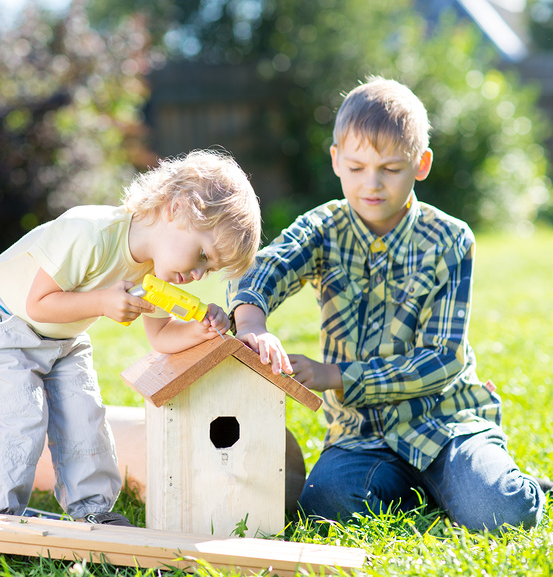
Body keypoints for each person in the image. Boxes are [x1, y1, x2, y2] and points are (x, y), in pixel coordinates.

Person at [228, 77, 547, 531]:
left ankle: (488, 478)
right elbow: (263, 270)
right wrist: (252, 323)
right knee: (326, 506)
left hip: (445, 423)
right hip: (362, 436)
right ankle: (438, 492)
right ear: (336, 160)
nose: (371, 184)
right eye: (356, 168)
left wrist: (334, 375)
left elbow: (442, 359)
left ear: (421, 164)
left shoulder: (449, 239)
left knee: (504, 512)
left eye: (390, 169)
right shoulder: (324, 228)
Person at [0, 149, 261, 525]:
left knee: (85, 417)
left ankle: (93, 511)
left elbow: (162, 336)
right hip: (4, 317)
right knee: (20, 420)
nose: (199, 275)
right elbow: (37, 304)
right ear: (177, 208)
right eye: (203, 255)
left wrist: (199, 330)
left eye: (210, 269)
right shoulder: (91, 233)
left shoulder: (157, 275)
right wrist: (103, 302)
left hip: (62, 337)